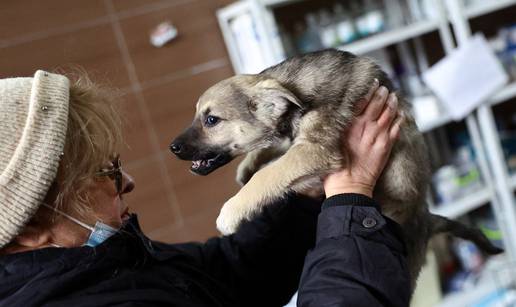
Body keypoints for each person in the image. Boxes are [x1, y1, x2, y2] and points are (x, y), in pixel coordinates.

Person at [0, 70, 408, 307]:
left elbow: (231, 274)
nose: (127, 182)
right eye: (102, 173)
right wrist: (351, 200)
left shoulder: (110, 260)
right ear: (33, 227)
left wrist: (304, 194)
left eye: (116, 165)